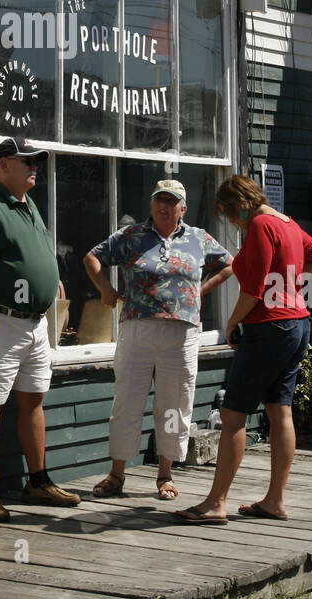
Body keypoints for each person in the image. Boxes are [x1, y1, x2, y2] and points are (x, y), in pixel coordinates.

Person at [176, 174, 312, 525]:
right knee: (280, 410)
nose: (230, 221)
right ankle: (274, 501)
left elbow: (254, 289)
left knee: (233, 414)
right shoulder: (286, 222)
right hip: (298, 324)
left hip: (269, 328)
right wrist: (289, 286)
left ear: (240, 204)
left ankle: (216, 503)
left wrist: (230, 323)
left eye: (228, 213)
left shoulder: (259, 225)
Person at [0, 136, 81, 521]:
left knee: (33, 399)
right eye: (25, 161)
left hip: (34, 324)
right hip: (0, 320)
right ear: (2, 164)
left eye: (35, 161)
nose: (33, 167)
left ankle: (37, 481)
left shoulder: (29, 206)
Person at [83, 179, 233, 501]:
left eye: (171, 201)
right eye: (158, 200)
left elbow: (229, 265)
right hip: (138, 328)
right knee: (127, 401)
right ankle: (116, 474)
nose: (163, 206)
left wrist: (200, 291)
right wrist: (105, 289)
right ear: (152, 204)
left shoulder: (198, 238)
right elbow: (93, 258)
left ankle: (165, 474)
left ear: (183, 207)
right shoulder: (132, 236)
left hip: (181, 333)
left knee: (173, 406)